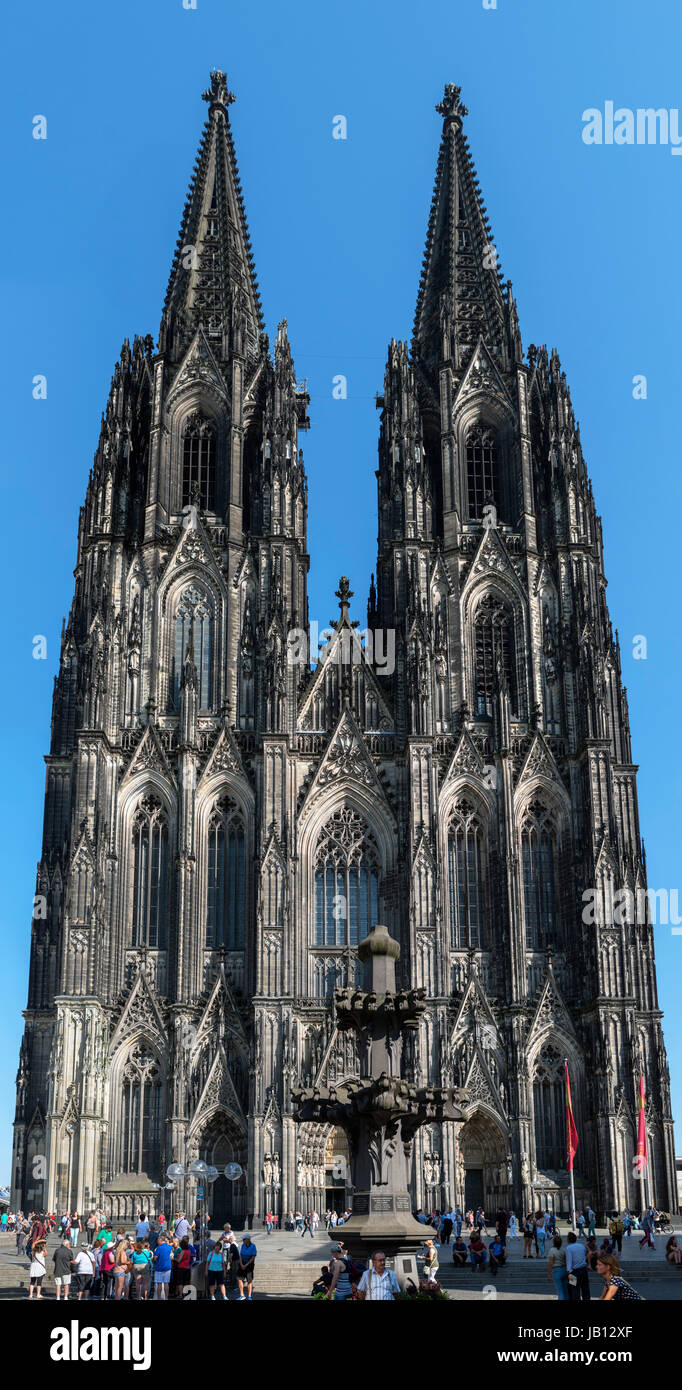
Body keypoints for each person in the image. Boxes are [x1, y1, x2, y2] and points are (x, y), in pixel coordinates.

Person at [566, 1231, 590, 1301]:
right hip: (583, 1270)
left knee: (574, 1290)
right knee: (585, 1289)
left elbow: (569, 1261)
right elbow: (584, 1255)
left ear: (568, 1240)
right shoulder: (581, 1246)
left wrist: (569, 1273)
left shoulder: (568, 1248)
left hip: (574, 1272)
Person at [548, 1234, 569, 1300]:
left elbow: (550, 1263)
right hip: (564, 1269)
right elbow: (566, 1261)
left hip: (556, 1270)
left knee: (560, 1291)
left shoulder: (552, 1250)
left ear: (554, 1242)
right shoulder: (563, 1249)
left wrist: (549, 1274)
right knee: (566, 1290)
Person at [237, 1234, 257, 1300]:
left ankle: (249, 1296)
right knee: (239, 1278)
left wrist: (246, 1265)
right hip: (242, 1263)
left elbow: (253, 1257)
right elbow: (240, 1255)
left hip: (249, 1264)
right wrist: (241, 1264)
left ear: (248, 1239)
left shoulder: (253, 1246)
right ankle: (242, 1294)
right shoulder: (243, 1245)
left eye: (244, 1239)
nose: (243, 1240)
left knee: (249, 1280)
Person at [53, 1237, 73, 1301]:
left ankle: (58, 1297)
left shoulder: (57, 1250)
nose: (70, 1245)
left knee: (58, 1285)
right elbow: (71, 1260)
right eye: (69, 1244)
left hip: (57, 1269)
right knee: (66, 1284)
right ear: (66, 1245)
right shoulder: (69, 1251)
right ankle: (65, 1297)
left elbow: (54, 1259)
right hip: (66, 1269)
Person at [153, 1235, 172, 1300]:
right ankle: (166, 1298)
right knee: (166, 1283)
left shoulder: (158, 1248)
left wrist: (153, 1260)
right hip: (167, 1267)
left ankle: (159, 1298)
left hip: (159, 1267)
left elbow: (155, 1258)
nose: (157, 1241)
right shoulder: (169, 1247)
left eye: (158, 1240)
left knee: (159, 1284)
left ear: (161, 1240)